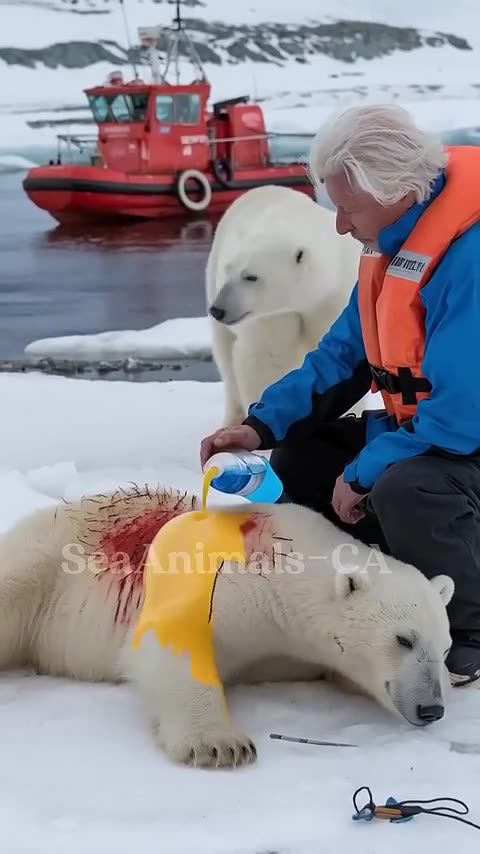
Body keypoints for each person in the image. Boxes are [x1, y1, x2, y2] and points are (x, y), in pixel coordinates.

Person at [200, 103, 480, 687]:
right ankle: (380, 585)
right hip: (432, 434)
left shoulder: (470, 258)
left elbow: (460, 419)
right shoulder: (394, 243)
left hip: (461, 438)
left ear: (398, 189)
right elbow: (341, 359)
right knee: (299, 459)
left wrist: (363, 473)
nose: (339, 227)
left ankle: (467, 628)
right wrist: (259, 426)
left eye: (347, 208)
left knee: (407, 485)